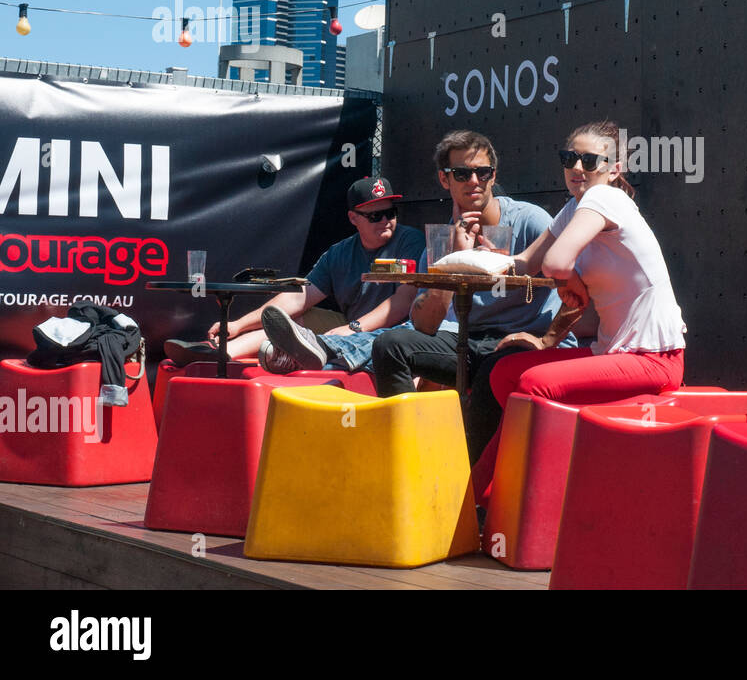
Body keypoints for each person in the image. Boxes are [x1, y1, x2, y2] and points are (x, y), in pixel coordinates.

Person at [478, 120, 687, 493]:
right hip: (614, 351)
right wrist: (474, 259)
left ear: (613, 169)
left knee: (533, 384)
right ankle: (512, 492)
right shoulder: (576, 207)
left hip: (655, 358)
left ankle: (493, 495)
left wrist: (570, 282)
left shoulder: (604, 197)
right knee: (503, 373)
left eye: (590, 161)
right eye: (569, 158)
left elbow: (557, 264)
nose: (577, 168)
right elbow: (526, 263)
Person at [348, 131, 574, 464]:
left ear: (493, 176)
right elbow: (424, 325)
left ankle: (468, 486)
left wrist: (546, 339)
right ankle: (407, 458)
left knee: (491, 371)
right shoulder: (445, 240)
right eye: (462, 174)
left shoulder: (530, 221)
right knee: (390, 346)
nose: (474, 181)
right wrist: (452, 262)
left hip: (525, 343)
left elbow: (579, 287)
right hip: (473, 343)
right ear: (444, 179)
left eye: (483, 173)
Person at [163, 177, 423, 364]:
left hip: (400, 334)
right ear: (353, 218)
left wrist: (354, 328)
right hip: (353, 328)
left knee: (311, 335)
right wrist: (238, 324)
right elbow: (298, 297)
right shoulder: (339, 252)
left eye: (390, 213)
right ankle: (222, 352)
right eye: (375, 216)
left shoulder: (410, 240)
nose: (386, 221)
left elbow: (402, 302)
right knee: (290, 322)